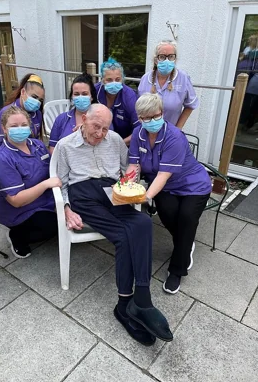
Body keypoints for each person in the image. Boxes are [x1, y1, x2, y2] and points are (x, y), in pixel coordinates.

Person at [55, 103, 173, 346]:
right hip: (82, 195)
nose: (100, 133)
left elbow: (126, 171)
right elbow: (62, 184)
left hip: (111, 191)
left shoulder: (116, 139)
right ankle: (125, 304)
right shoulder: (65, 146)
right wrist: (66, 209)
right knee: (122, 236)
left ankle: (140, 300)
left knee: (142, 223)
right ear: (84, 119)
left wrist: (131, 184)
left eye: (105, 129)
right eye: (96, 127)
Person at [127, 93, 211, 294]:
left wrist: (145, 196)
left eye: (155, 116)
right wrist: (128, 186)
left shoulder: (174, 136)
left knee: (187, 216)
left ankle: (177, 270)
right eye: (146, 118)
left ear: (162, 113)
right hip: (165, 187)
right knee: (167, 210)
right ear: (139, 118)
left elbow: (164, 175)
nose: (151, 121)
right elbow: (133, 164)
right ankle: (186, 242)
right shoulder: (138, 135)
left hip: (193, 185)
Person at [0, 106, 61, 259]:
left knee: (66, 218)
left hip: (43, 200)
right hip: (19, 209)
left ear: (30, 126)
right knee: (53, 227)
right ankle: (17, 236)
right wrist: (46, 184)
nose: (19, 129)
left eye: (23, 125)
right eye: (13, 126)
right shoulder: (2, 159)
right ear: (4, 128)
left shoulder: (38, 145)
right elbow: (16, 200)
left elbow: (51, 168)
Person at [138, 40, 199, 129]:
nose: (167, 60)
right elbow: (139, 109)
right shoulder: (145, 79)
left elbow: (190, 105)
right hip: (147, 131)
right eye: (162, 57)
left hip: (171, 132)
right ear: (156, 60)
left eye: (171, 56)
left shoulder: (183, 78)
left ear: (175, 59)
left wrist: (177, 129)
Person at [0, 73, 45, 154]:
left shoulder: (37, 114)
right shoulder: (6, 114)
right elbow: (4, 144)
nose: (37, 102)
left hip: (29, 154)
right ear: (23, 92)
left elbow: (35, 140)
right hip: (5, 156)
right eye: (34, 97)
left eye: (40, 100)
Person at [49, 73, 98, 153]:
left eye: (84, 94)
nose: (80, 97)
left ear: (92, 96)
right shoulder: (61, 119)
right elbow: (53, 148)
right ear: (72, 97)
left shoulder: (102, 119)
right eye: (76, 94)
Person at [95, 57, 139, 145]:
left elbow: (139, 128)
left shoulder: (130, 97)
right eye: (109, 80)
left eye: (118, 79)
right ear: (103, 80)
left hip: (124, 142)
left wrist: (120, 144)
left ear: (122, 79)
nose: (114, 83)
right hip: (97, 140)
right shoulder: (95, 91)